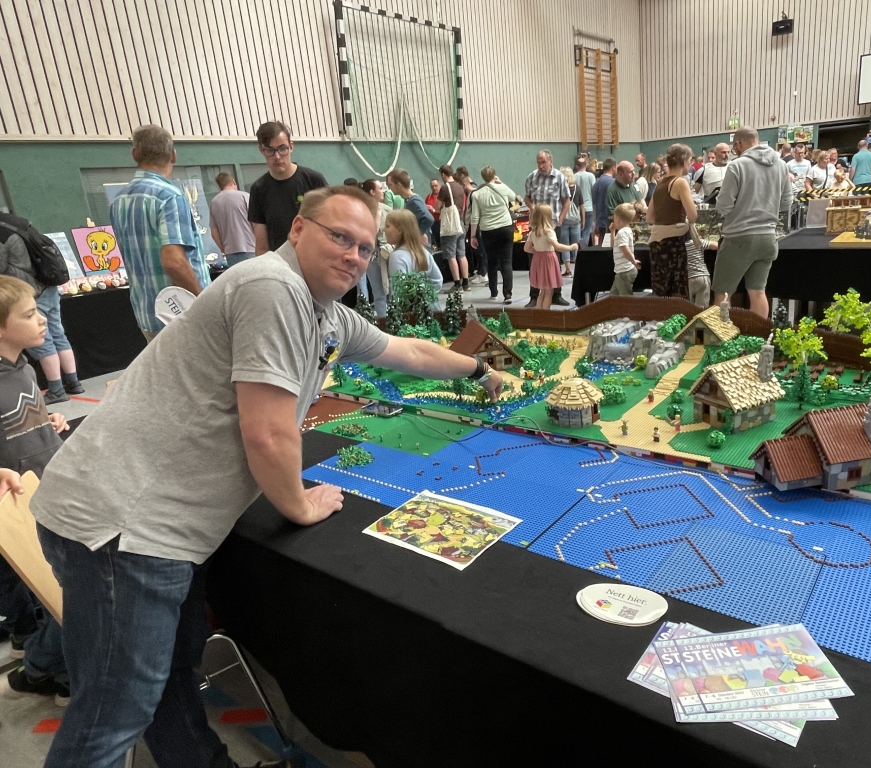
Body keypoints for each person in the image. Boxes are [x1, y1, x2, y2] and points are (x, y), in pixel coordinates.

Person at [29, 185, 504, 768]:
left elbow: (410, 352)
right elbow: (269, 433)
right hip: (125, 525)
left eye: (365, 247)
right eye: (339, 236)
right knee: (114, 713)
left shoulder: (325, 314)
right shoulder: (272, 287)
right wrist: (299, 505)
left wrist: (480, 368)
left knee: (171, 673)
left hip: (158, 525)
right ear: (297, 230)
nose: (354, 256)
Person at [0, 276, 70, 706]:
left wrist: (48, 423)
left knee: (57, 586)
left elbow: (26, 418)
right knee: (32, 583)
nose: (42, 319)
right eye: (29, 314)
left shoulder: (24, 367)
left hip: (47, 493)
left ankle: (45, 657)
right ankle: (48, 664)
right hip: (14, 507)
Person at [109, 125, 210, 342]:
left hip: (146, 314)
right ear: (173, 155)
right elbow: (174, 262)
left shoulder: (118, 201)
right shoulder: (170, 197)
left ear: (134, 154)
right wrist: (204, 304)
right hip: (180, 316)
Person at [0, 214, 84, 404]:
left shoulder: (2, 233)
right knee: (58, 335)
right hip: (49, 285)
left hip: (29, 292)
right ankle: (74, 382)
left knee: (42, 341)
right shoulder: (18, 223)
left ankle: (56, 389)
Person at [713, 126, 792, 319]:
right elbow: (786, 203)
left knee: (723, 294)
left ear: (738, 144)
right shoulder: (781, 165)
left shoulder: (737, 166)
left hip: (738, 237)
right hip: (768, 237)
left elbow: (723, 206)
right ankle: (758, 334)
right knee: (758, 292)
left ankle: (721, 335)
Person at [247, 121, 329, 254]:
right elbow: (262, 244)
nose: (277, 156)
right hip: (279, 262)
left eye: (282, 148)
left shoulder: (314, 181)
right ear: (261, 150)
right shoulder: (258, 189)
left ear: (291, 146)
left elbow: (330, 224)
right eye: (270, 150)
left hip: (314, 258)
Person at [646, 143, 698, 298]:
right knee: (677, 293)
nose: (691, 164)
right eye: (690, 160)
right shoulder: (680, 182)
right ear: (684, 160)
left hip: (656, 244)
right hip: (673, 244)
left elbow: (650, 217)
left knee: (661, 291)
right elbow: (693, 216)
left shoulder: (660, 183)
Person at [523, 150, 570, 307]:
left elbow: (566, 200)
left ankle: (556, 294)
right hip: (536, 226)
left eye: (543, 162)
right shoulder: (531, 177)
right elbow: (527, 197)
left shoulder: (559, 177)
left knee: (554, 259)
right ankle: (534, 295)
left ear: (551, 161)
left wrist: (561, 218)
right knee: (534, 260)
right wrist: (531, 206)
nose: (541, 165)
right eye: (538, 162)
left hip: (553, 225)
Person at [469, 166, 517, 303]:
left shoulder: (477, 194)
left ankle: (493, 292)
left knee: (492, 262)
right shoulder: (502, 188)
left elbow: (475, 217)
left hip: (488, 230)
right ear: (494, 175)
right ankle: (507, 294)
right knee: (506, 262)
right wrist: (501, 182)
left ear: (482, 177)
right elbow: (514, 197)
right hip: (505, 227)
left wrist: (473, 236)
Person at [385, 209, 443, 310]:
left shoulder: (396, 257)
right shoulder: (423, 252)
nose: (384, 230)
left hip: (409, 313)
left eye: (387, 226)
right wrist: (425, 294)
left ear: (399, 231)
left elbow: (399, 290)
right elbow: (438, 280)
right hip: (431, 308)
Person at [524, 204, 576, 310]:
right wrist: (571, 247)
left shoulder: (533, 232)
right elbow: (557, 246)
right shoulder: (549, 231)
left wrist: (537, 251)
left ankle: (539, 312)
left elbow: (526, 248)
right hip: (548, 261)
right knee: (549, 291)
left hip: (538, 260)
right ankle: (546, 314)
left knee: (543, 291)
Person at [359, 178, 392, 317]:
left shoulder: (387, 210)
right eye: (380, 188)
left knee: (393, 290)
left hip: (388, 253)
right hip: (371, 255)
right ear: (372, 192)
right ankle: (382, 322)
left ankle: (397, 322)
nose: (383, 191)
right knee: (379, 293)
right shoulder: (361, 211)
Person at [435, 164, 470, 292]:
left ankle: (457, 284)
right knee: (462, 254)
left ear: (443, 174)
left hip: (450, 225)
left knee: (451, 255)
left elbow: (437, 206)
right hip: (460, 223)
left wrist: (434, 208)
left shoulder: (445, 187)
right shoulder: (460, 187)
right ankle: (466, 283)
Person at [208, 173, 255, 267]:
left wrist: (224, 249)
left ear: (220, 186)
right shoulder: (245, 196)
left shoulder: (214, 202)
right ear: (234, 182)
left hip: (230, 252)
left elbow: (214, 233)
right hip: (251, 248)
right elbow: (256, 223)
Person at [386, 168, 433, 244]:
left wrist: (418, 234)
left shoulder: (414, 201)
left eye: (390, 185)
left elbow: (429, 218)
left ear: (398, 185)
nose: (389, 188)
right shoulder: (408, 200)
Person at [559, 167, 585, 277]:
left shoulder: (561, 189)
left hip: (564, 218)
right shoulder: (577, 188)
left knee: (564, 245)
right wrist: (583, 220)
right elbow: (581, 205)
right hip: (575, 219)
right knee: (576, 244)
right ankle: (578, 269)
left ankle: (568, 269)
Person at [609, 204, 640, 296]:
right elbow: (614, 245)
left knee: (625, 297)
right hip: (621, 271)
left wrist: (633, 261)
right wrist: (612, 231)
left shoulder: (622, 233)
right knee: (613, 296)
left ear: (617, 218)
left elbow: (625, 248)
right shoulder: (626, 231)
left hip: (624, 271)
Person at [591, 158, 617, 245]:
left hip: (599, 222)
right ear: (613, 168)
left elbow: (594, 205)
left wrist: (595, 223)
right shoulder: (614, 183)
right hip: (610, 222)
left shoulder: (596, 183)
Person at [574, 154, 597, 248]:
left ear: (576, 166)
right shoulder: (591, 176)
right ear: (586, 165)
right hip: (588, 207)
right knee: (586, 232)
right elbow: (594, 191)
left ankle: (577, 250)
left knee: (577, 231)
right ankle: (584, 250)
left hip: (576, 209)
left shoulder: (574, 176)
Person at [425, 178, 442, 250]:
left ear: (440, 185)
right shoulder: (428, 197)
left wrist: (434, 210)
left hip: (442, 222)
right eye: (432, 186)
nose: (434, 188)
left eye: (436, 185)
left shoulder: (443, 196)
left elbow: (445, 210)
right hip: (432, 223)